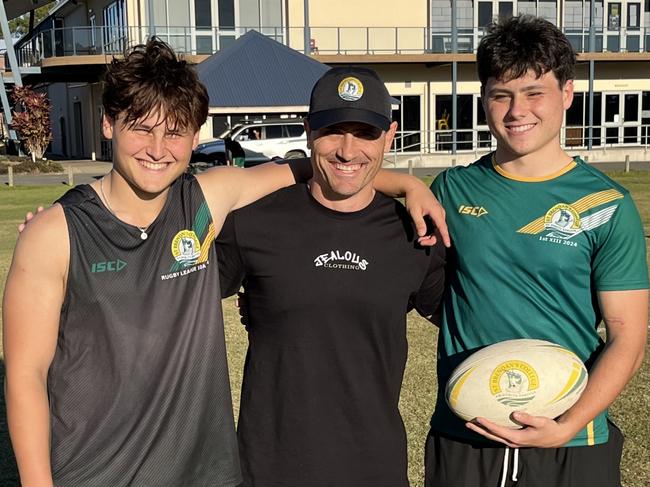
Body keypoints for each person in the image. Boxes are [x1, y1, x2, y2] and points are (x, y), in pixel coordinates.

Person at [5, 41, 446, 486]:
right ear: (108, 123)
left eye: (175, 132)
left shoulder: (205, 203)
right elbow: (25, 375)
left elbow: (310, 169)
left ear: (196, 137)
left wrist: (405, 182)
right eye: (141, 128)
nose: (158, 149)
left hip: (205, 475)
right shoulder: (54, 233)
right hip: (95, 473)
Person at [426, 15, 648, 487]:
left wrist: (566, 425)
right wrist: (402, 181)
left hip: (570, 439)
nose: (515, 111)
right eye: (500, 94)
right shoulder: (451, 190)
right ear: (484, 98)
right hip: (466, 434)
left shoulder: (608, 205)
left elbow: (626, 337)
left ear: (566, 93)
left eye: (533, 92)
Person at [216, 66, 446, 487]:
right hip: (270, 469)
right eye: (332, 131)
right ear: (308, 132)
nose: (347, 149)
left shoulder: (414, 231)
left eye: (365, 133)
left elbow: (467, 321)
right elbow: (174, 294)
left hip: (374, 468)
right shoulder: (252, 222)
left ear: (390, 136)